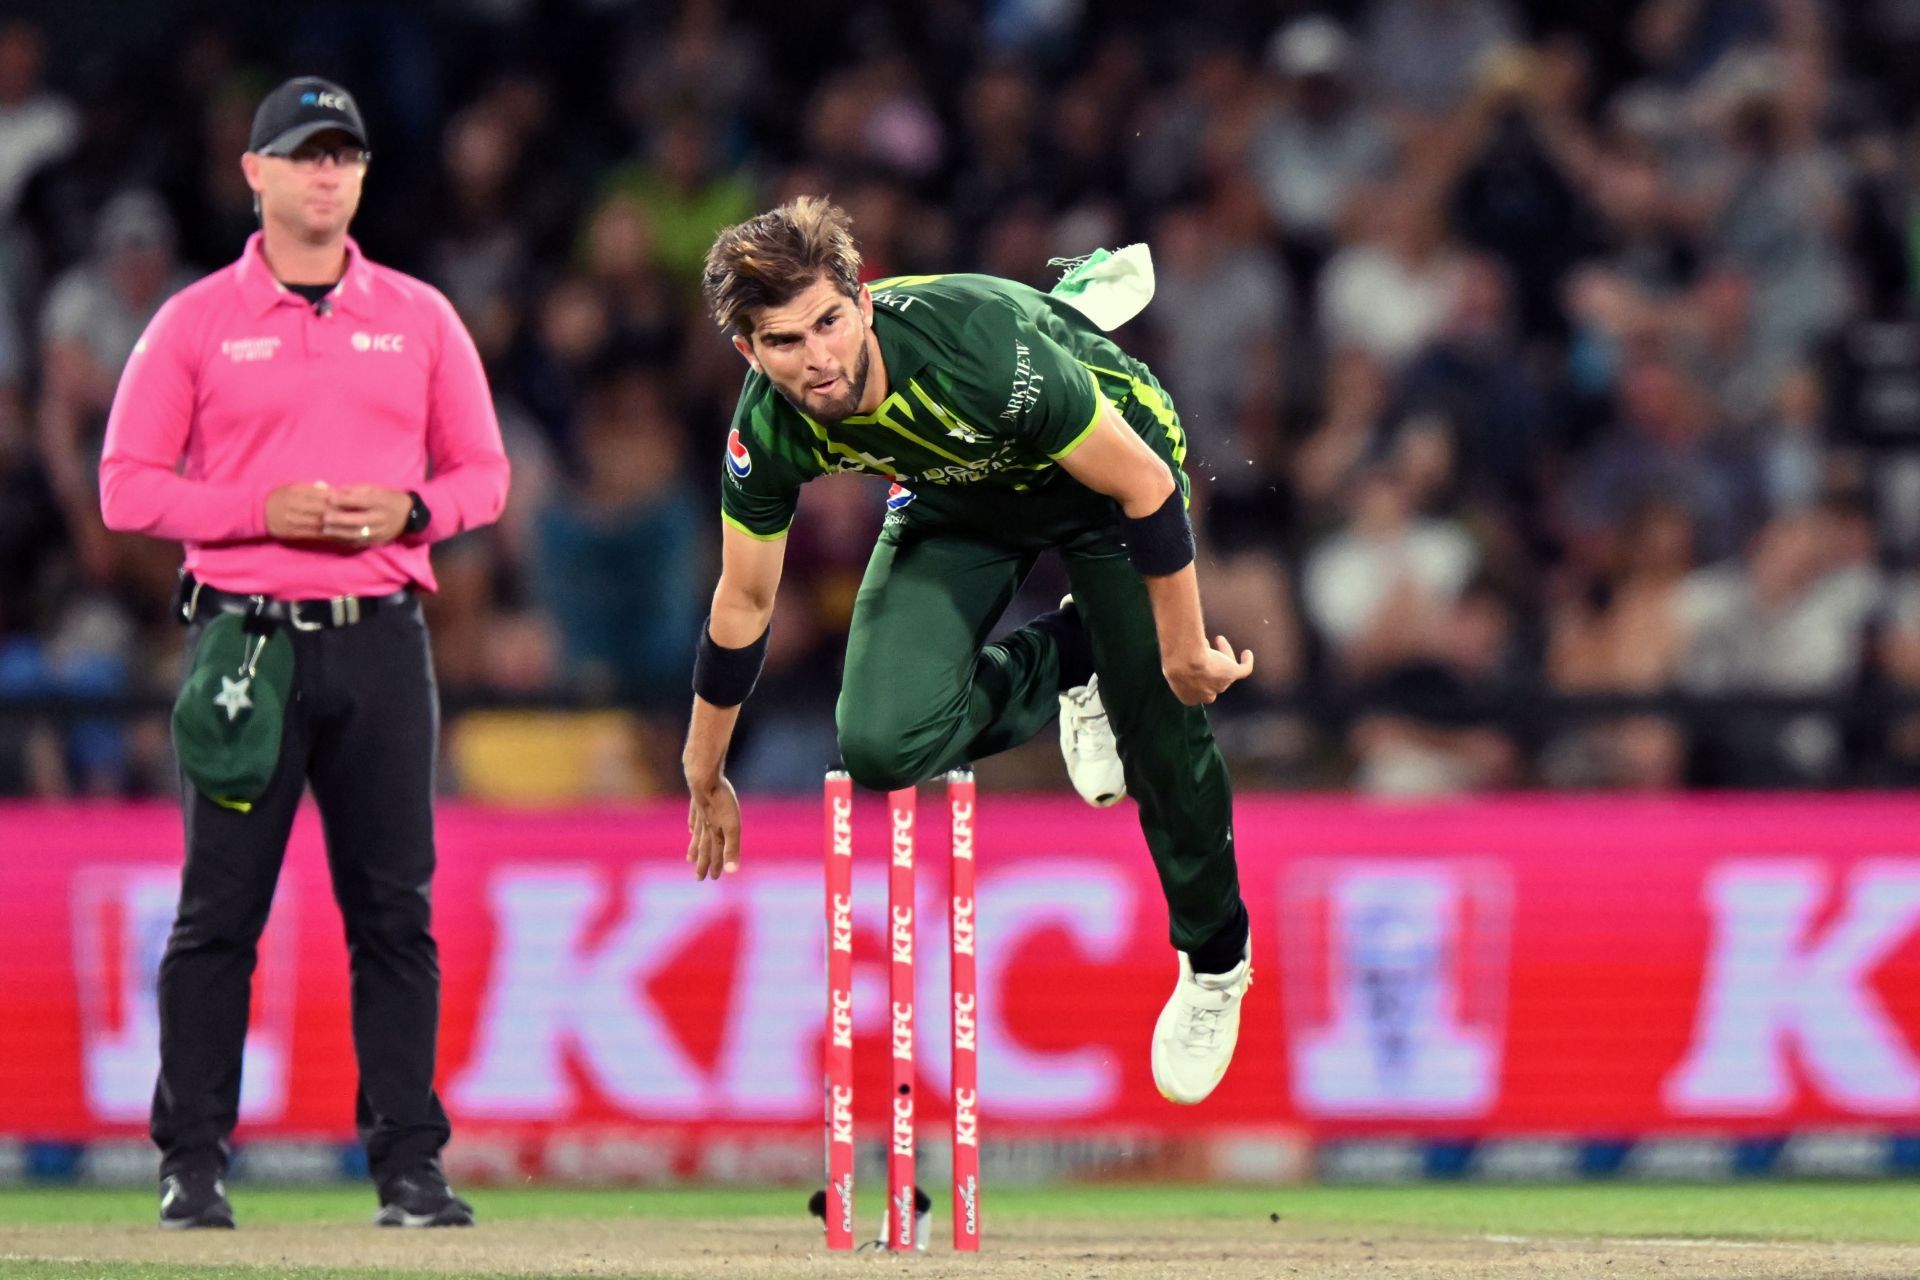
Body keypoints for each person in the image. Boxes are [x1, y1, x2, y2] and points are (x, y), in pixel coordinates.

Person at [681, 197, 1255, 1105]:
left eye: (830, 321)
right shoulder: (769, 426)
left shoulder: (975, 350)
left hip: (1106, 478)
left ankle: (1217, 963)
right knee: (880, 742)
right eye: (786, 343)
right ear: (749, 353)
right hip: (960, 490)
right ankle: (1081, 653)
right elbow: (745, 599)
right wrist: (704, 768)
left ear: (862, 302)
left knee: (1162, 735)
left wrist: (1179, 653)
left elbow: (1147, 488)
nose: (819, 358)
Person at [98, 77, 509, 1230]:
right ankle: (191, 1161)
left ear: (363, 177)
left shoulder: (422, 316)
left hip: (380, 643)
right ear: (256, 173)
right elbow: (124, 488)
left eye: (345, 156)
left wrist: (411, 515)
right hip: (247, 649)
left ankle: (410, 1167)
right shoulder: (193, 321)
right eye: (305, 154)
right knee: (219, 913)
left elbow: (484, 474)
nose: (327, 174)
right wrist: (259, 510)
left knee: (396, 912)